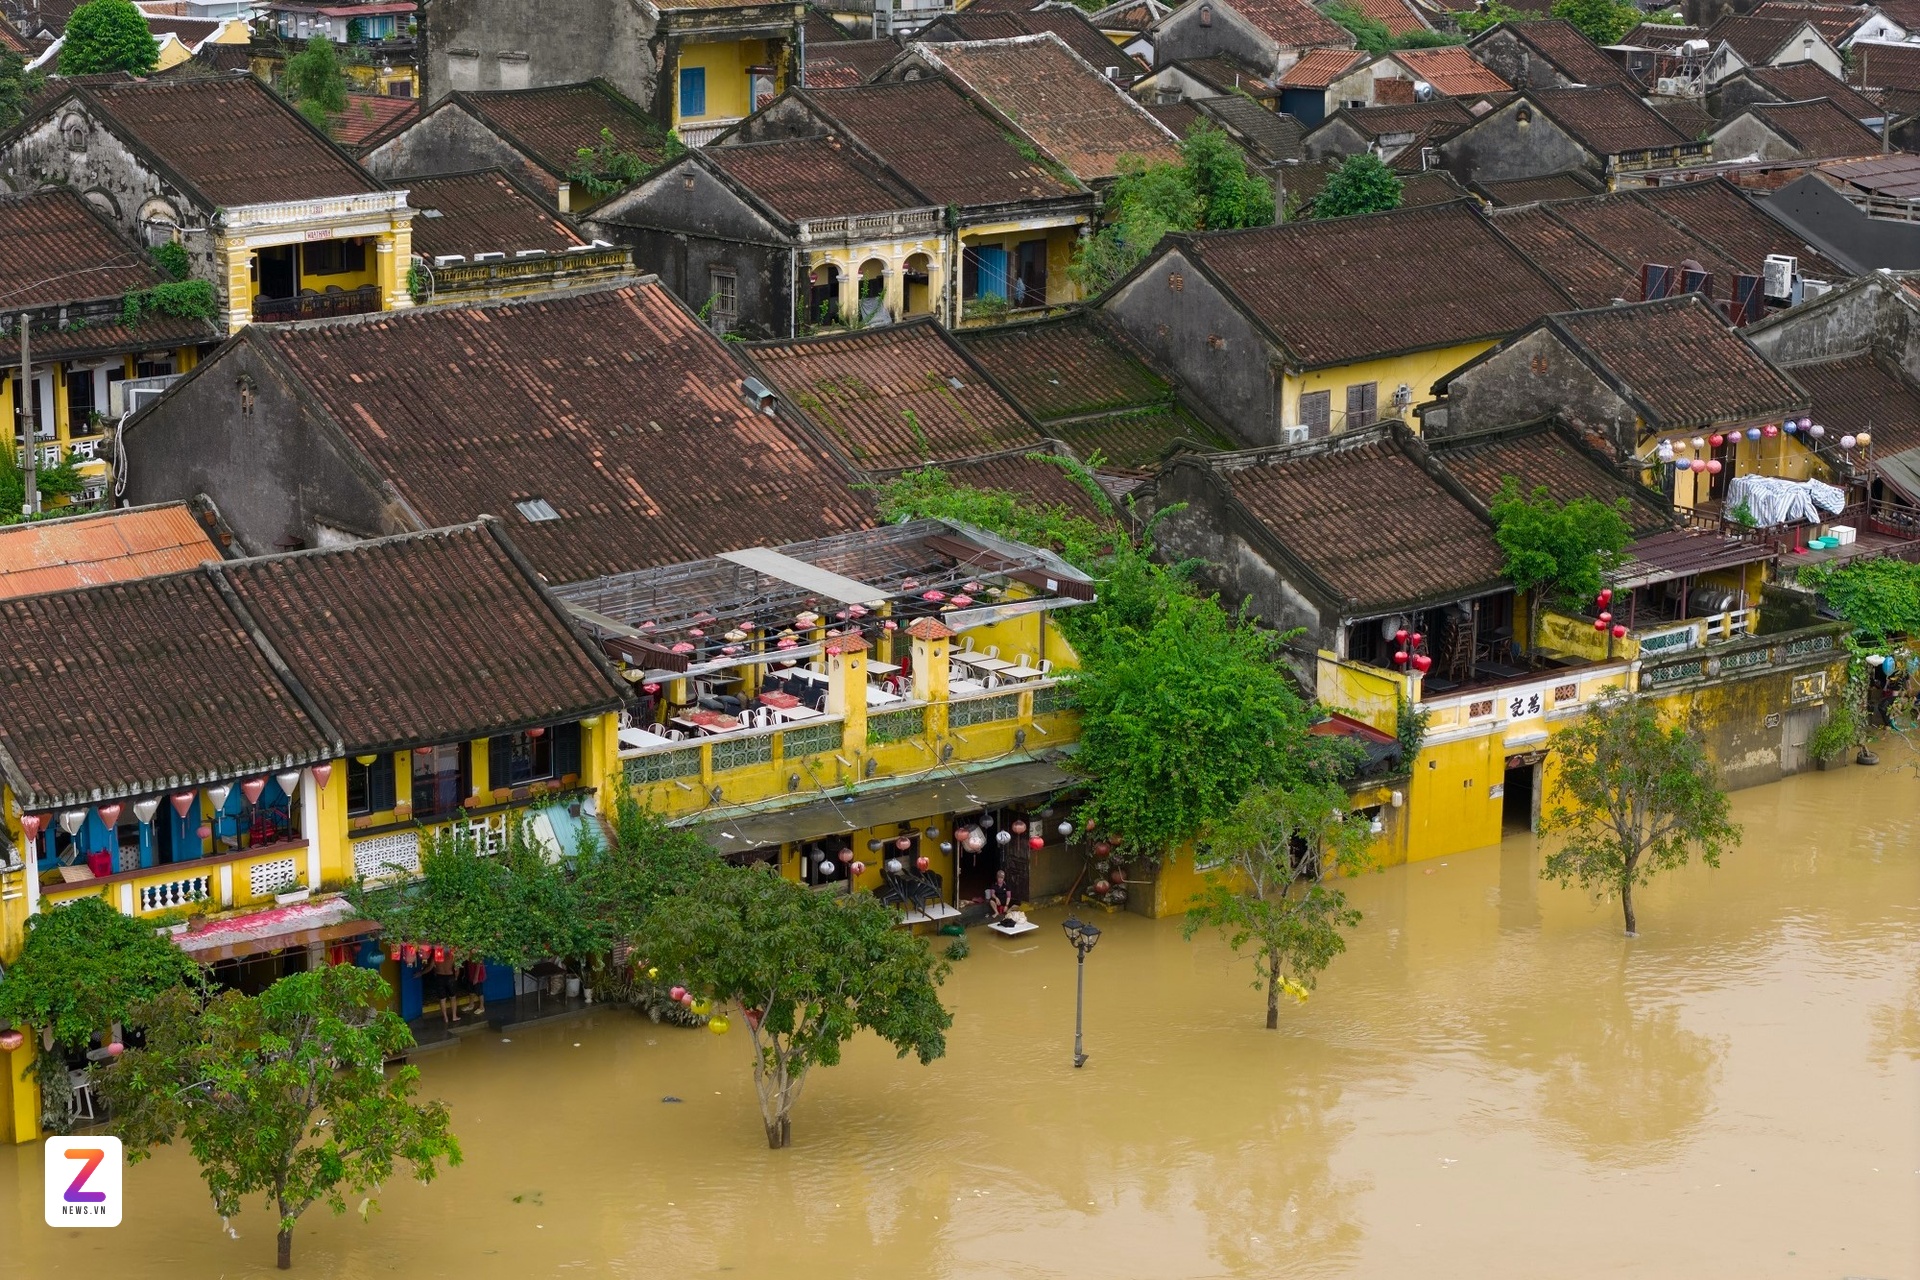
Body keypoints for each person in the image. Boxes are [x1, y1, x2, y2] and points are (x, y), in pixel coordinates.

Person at [432, 953, 460, 1024]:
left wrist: (421, 973)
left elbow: (430, 967)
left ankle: (445, 1018)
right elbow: (457, 969)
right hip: (450, 977)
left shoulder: (436, 955)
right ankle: (454, 1016)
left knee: (442, 999)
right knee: (453, 998)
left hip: (440, 977)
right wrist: (456, 977)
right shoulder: (452, 955)